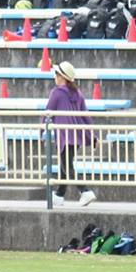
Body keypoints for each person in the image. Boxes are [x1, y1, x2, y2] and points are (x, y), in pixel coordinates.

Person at [46, 62, 97, 207]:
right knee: (65, 164)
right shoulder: (78, 93)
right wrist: (92, 135)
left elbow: (48, 112)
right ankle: (59, 194)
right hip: (76, 136)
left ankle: (85, 191)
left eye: (56, 74)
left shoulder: (56, 93)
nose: (55, 76)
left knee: (66, 166)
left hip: (64, 135)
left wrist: (41, 129)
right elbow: (85, 116)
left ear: (62, 77)